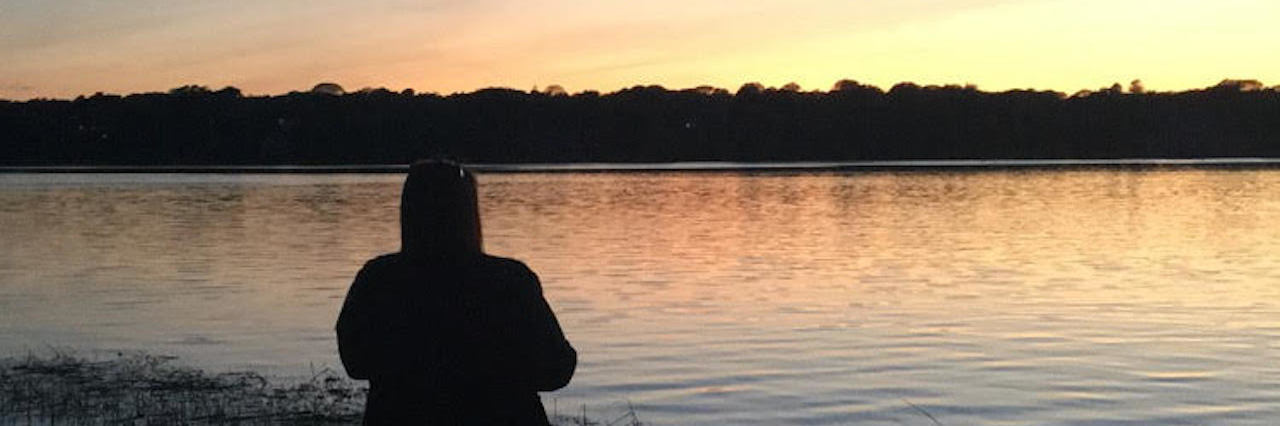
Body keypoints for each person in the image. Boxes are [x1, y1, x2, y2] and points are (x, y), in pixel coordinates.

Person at [336, 160, 576, 425]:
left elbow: (355, 362)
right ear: (469, 212)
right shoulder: (511, 280)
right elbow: (557, 369)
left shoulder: (378, 278)